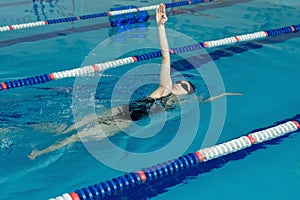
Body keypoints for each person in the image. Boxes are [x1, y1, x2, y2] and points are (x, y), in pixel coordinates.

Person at [28, 4, 241, 160]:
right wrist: (160, 26)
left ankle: (41, 149)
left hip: (125, 120)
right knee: (75, 127)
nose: (181, 83)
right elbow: (166, 57)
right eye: (183, 82)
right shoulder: (165, 89)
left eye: (184, 86)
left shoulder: (178, 102)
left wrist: (223, 95)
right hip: (123, 112)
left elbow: (202, 101)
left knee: (80, 136)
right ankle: (41, 137)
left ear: (186, 94)